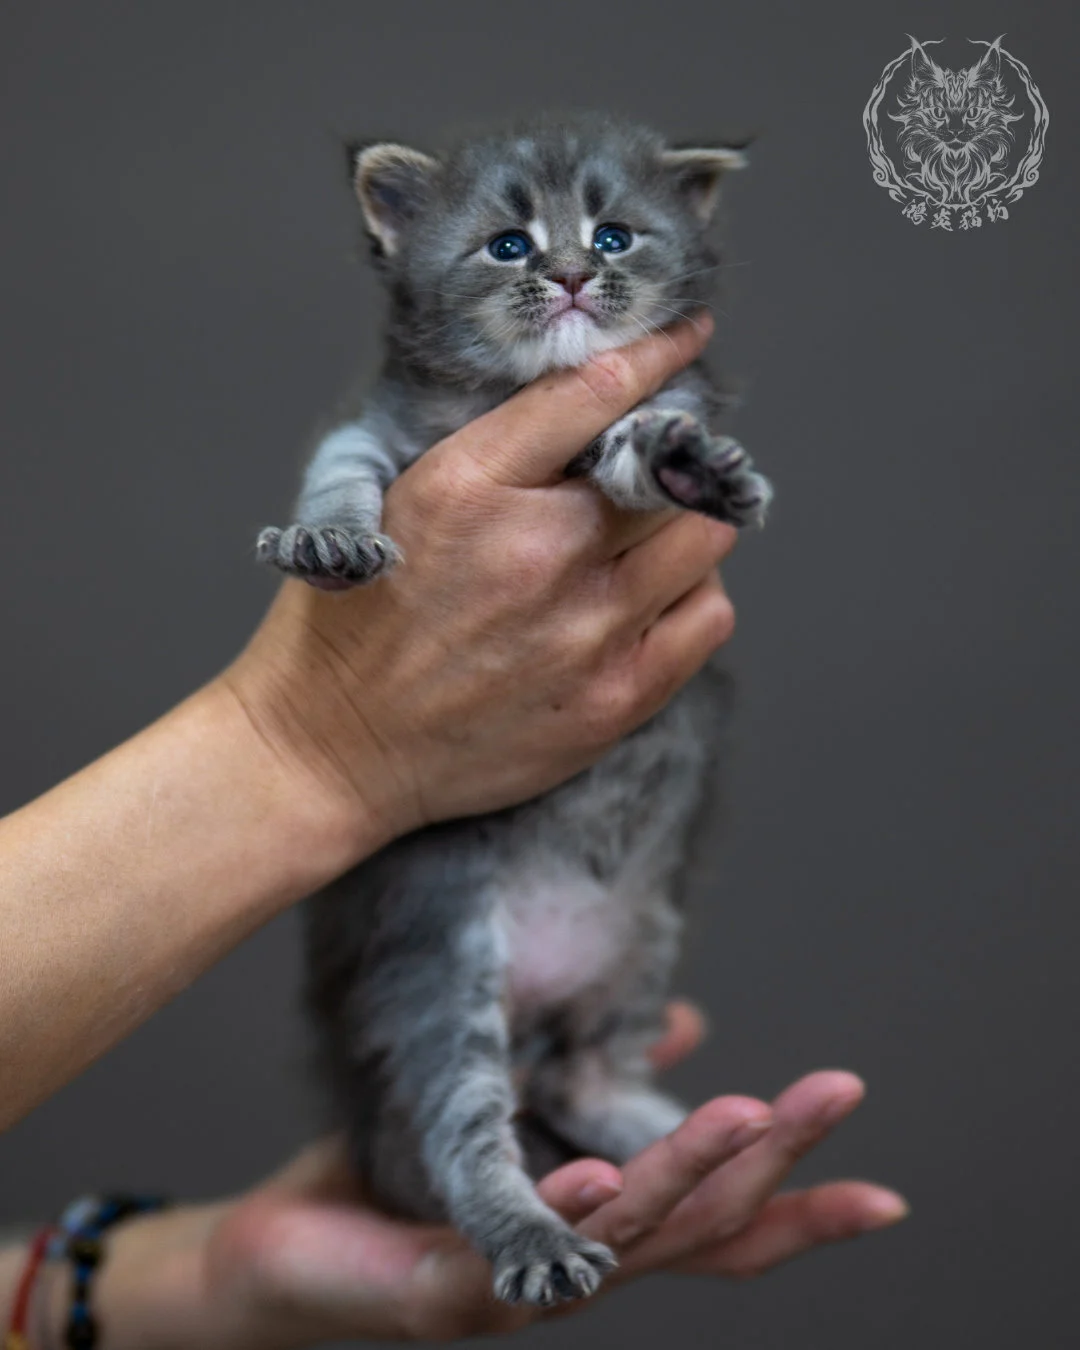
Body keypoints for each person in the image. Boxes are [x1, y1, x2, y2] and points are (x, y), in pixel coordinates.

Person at [0, 318, 907, 1346]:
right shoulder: (417, 399)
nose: (566, 274)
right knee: (443, 959)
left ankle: (587, 1079)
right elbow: (357, 452)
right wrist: (312, 739)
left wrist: (202, 1280)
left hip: (581, 896)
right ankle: (523, 1138)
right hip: (480, 895)